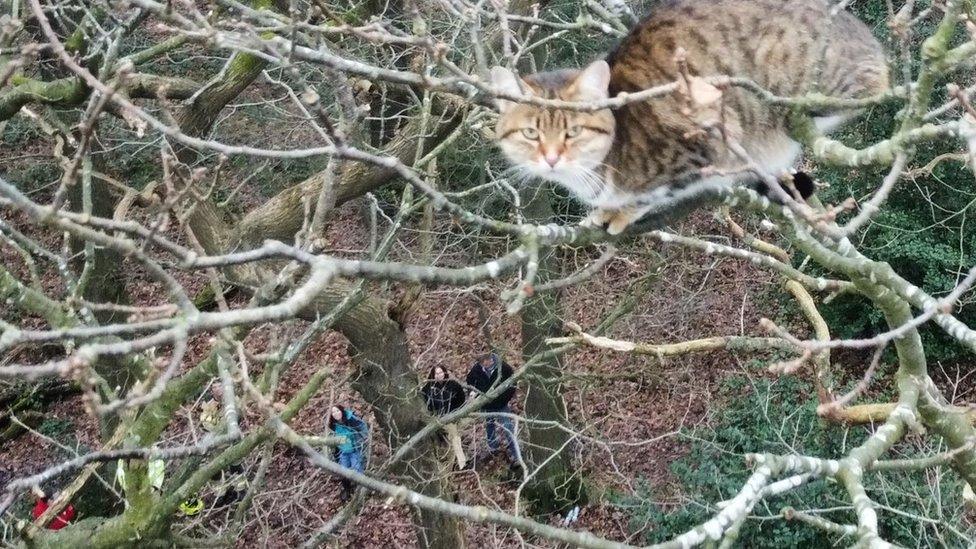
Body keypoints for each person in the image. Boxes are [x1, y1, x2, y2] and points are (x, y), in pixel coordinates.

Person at [465, 352, 521, 471]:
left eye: (487, 359)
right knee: (489, 426)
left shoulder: (504, 367)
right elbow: (470, 382)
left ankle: (516, 456)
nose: (486, 363)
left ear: (492, 358)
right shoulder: (476, 369)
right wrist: (473, 394)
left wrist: (503, 399)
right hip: (486, 404)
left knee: (507, 427)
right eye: (482, 361)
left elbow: (512, 384)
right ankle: (493, 448)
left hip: (501, 404)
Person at [421, 365, 467, 469]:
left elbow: (461, 399)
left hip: (451, 416)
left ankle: (462, 462)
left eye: (441, 373)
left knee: (454, 436)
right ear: (433, 375)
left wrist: (455, 412)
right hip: (436, 418)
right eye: (436, 373)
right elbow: (424, 402)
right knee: (444, 436)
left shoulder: (453, 385)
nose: (439, 375)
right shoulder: (429, 387)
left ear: (445, 373)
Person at [326, 405, 369, 502]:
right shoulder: (333, 424)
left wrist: (362, 439)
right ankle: (347, 489)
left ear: (341, 411)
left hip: (354, 448)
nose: (336, 414)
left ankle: (362, 490)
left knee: (357, 468)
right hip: (344, 450)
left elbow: (362, 427)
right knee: (343, 471)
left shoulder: (351, 419)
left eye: (337, 411)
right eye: (333, 413)